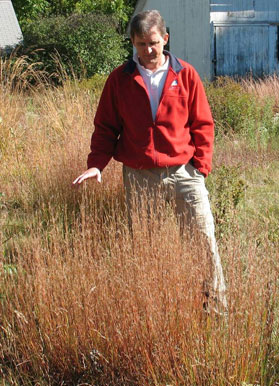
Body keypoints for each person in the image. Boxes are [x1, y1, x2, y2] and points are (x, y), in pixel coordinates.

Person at [73, 10, 227, 313]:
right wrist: (96, 164)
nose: (149, 50)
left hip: (185, 174)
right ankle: (155, 310)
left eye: (154, 42)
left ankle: (215, 311)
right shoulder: (119, 80)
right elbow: (106, 127)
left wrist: (201, 167)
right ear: (133, 42)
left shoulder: (186, 75)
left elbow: (203, 124)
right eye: (141, 44)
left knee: (203, 243)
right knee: (146, 247)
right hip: (140, 176)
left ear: (165, 39)